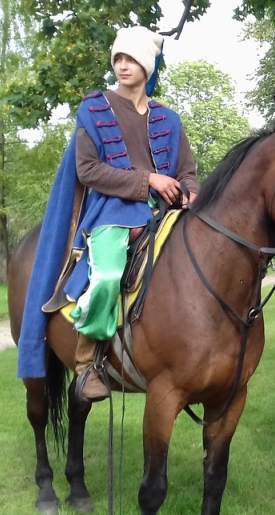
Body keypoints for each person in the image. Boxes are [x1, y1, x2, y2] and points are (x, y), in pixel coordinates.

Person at [16, 26, 199, 401]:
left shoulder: (170, 119)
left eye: (131, 59)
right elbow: (89, 170)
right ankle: (88, 364)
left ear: (147, 65)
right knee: (108, 274)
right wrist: (147, 179)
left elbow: (186, 171)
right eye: (118, 58)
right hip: (112, 210)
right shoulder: (95, 109)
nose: (122, 65)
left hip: (167, 214)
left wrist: (192, 193)